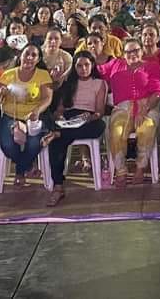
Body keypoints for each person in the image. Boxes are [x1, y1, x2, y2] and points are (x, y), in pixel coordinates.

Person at [43, 51, 107, 206]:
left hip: (89, 118)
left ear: (92, 65)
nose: (83, 68)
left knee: (99, 126)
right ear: (74, 67)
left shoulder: (99, 83)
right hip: (69, 116)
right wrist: (60, 115)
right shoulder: (69, 82)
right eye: (79, 65)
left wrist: (89, 117)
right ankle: (58, 187)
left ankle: (58, 133)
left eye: (86, 65)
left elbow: (100, 111)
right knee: (56, 143)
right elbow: (59, 109)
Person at [99, 37, 160, 189]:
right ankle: (120, 170)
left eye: (135, 50)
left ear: (141, 51)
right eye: (128, 51)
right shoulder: (115, 64)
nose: (132, 54)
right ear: (123, 54)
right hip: (122, 108)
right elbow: (95, 70)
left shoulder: (152, 66)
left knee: (146, 129)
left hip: (148, 105)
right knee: (116, 131)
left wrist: (145, 108)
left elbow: (158, 92)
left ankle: (141, 168)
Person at [0, 44, 54, 188]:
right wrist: (1, 93)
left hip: (34, 118)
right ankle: (28, 166)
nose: (29, 58)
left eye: (34, 55)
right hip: (10, 117)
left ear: (38, 59)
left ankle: (20, 172)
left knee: (34, 143)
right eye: (27, 54)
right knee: (7, 145)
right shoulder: (8, 75)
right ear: (21, 56)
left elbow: (47, 98)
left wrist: (37, 111)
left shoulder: (43, 75)